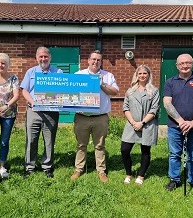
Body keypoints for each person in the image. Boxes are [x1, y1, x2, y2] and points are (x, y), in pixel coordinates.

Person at [163, 53, 193, 195]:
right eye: (181, 63)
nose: (185, 66)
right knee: (174, 154)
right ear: (176, 66)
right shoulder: (170, 82)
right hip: (175, 126)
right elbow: (167, 103)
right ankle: (174, 179)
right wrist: (181, 121)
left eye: (188, 63)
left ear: (192, 63)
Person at [71, 50, 119, 183]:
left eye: (98, 60)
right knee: (81, 145)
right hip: (82, 117)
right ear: (88, 60)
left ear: (101, 62)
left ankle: (101, 171)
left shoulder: (107, 75)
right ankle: (79, 169)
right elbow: (71, 93)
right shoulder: (78, 75)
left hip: (100, 117)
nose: (95, 62)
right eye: (93, 59)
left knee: (100, 145)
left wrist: (102, 84)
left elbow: (115, 91)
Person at [20, 46, 63, 179]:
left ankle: (47, 167)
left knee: (49, 140)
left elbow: (63, 90)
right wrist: (33, 102)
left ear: (50, 58)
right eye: (41, 56)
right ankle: (29, 167)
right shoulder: (31, 72)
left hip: (51, 112)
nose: (43, 59)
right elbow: (24, 90)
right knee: (31, 140)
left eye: (46, 56)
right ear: (36, 58)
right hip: (34, 111)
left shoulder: (58, 72)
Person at [121, 65, 160, 185]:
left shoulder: (154, 91)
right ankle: (129, 173)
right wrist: (133, 122)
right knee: (124, 150)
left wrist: (142, 123)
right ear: (136, 75)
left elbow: (154, 109)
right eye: (140, 73)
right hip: (131, 124)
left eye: (145, 73)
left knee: (145, 151)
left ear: (149, 75)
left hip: (147, 125)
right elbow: (125, 107)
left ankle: (141, 175)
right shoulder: (130, 90)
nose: (142, 76)